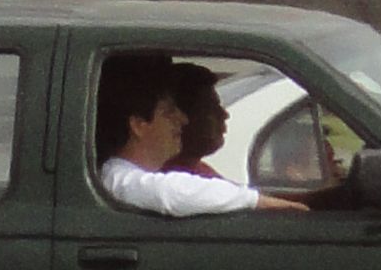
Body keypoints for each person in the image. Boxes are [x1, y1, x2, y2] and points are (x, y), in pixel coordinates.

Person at [94, 57, 260, 216]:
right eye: (169, 112)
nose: (183, 119)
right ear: (139, 125)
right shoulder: (115, 179)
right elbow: (169, 193)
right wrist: (254, 201)